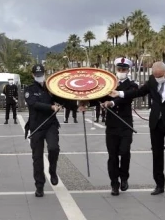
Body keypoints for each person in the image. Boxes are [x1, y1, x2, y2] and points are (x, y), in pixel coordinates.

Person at [110, 62, 165, 201]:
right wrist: (120, 93)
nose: (157, 78)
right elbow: (138, 92)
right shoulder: (152, 80)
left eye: (159, 76)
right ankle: (159, 185)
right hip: (156, 124)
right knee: (157, 155)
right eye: (155, 75)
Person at [85, 58, 138, 196]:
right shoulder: (109, 84)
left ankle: (124, 177)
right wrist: (85, 103)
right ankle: (114, 183)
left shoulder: (132, 86)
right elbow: (99, 96)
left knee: (124, 152)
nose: (121, 72)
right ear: (116, 70)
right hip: (112, 125)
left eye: (124, 70)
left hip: (126, 125)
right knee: (113, 155)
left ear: (128, 70)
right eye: (119, 69)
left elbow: (125, 98)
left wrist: (112, 103)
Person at [24, 64, 73, 197]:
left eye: (41, 74)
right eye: (37, 75)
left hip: (50, 125)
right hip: (36, 126)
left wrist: (75, 100)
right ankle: (39, 185)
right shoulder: (29, 89)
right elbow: (33, 104)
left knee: (53, 148)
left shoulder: (51, 88)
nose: (40, 77)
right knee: (37, 158)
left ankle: (53, 170)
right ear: (33, 75)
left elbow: (63, 100)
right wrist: (51, 107)